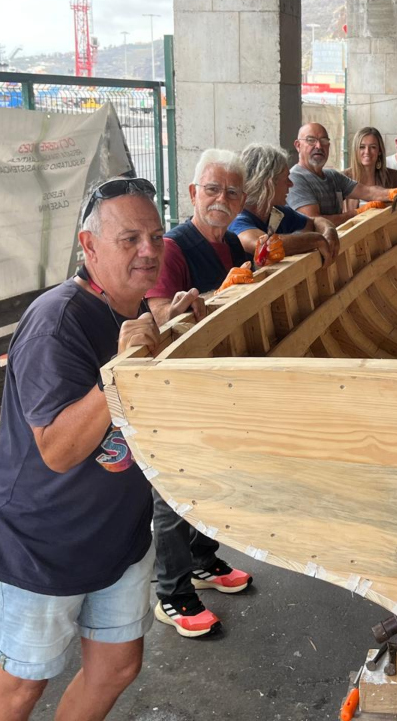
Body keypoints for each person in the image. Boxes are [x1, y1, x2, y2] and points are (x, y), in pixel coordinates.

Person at [0, 176, 204, 721]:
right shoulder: (57, 323)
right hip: (43, 544)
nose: (149, 251)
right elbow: (57, 449)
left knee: (117, 665)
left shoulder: (132, 311)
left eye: (154, 236)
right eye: (129, 239)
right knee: (21, 686)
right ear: (89, 247)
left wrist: (168, 326)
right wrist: (116, 371)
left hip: (116, 535)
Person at [144, 149, 255, 638]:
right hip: (173, 388)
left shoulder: (231, 243)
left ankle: (201, 562)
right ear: (192, 193)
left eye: (231, 192)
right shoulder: (173, 247)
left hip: (213, 381)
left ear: (242, 200)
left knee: (214, 475)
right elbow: (156, 316)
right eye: (211, 189)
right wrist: (183, 309)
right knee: (174, 489)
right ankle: (171, 592)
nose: (221, 199)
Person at [233, 142, 341, 264]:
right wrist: (316, 240)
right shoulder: (237, 217)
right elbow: (265, 246)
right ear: (269, 184)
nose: (291, 184)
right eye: (286, 179)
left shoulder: (276, 212)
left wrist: (330, 231)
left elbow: (315, 222)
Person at [287, 122, 397, 225]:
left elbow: (367, 191)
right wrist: (357, 213)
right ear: (298, 146)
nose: (318, 146)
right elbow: (314, 222)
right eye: (311, 140)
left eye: (323, 140)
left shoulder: (332, 176)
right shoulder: (295, 178)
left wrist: (392, 193)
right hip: (311, 249)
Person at [344, 126, 397, 212]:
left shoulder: (393, 177)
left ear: (379, 151)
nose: (367, 152)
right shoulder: (343, 177)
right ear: (355, 150)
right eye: (362, 147)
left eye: (373, 147)